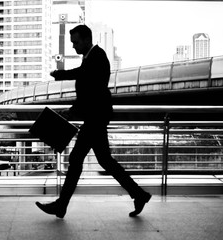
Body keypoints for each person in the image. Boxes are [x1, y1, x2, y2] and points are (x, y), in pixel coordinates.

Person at [35, 25, 151, 218]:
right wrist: (62, 77)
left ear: (87, 39)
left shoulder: (97, 56)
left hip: (95, 118)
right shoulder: (91, 56)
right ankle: (139, 194)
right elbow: (83, 75)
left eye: (76, 42)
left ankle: (61, 205)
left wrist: (72, 110)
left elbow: (92, 91)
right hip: (95, 117)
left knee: (76, 159)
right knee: (105, 161)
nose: (73, 46)